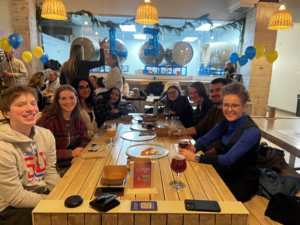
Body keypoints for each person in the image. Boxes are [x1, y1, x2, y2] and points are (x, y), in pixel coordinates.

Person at [179, 82, 261, 202]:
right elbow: (206, 139)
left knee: (209, 199)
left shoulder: (251, 131)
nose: (229, 109)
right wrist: (194, 148)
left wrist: (196, 157)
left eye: (234, 105)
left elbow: (228, 159)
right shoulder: (225, 122)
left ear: (243, 107)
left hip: (242, 180)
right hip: (224, 171)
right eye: (226, 105)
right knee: (192, 185)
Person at [0, 86, 60, 225]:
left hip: (41, 194)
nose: (30, 109)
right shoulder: (3, 147)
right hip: (9, 207)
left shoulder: (46, 135)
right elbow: (15, 197)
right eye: (21, 105)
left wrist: (61, 194)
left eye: (33, 103)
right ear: (7, 113)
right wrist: (53, 201)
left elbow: (49, 171)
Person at [36, 85, 89, 175]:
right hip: (52, 167)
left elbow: (84, 138)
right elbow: (40, 151)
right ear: (57, 101)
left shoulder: (77, 115)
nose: (68, 101)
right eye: (63, 98)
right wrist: (70, 153)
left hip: (72, 160)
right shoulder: (48, 119)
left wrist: (78, 154)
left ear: (76, 98)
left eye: (71, 97)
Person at [170, 78, 228, 153]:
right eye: (212, 91)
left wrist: (201, 156)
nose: (214, 93)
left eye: (218, 90)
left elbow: (223, 144)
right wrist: (180, 132)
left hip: (216, 156)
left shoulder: (227, 113)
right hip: (205, 147)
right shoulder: (213, 109)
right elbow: (201, 127)